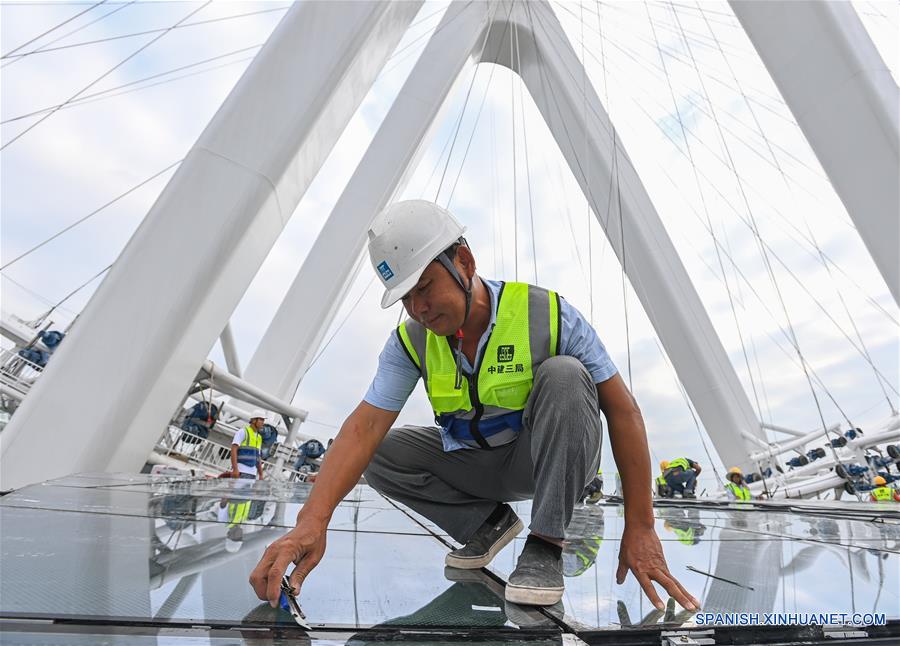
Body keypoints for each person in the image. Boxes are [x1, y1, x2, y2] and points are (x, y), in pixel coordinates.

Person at [250, 200, 698, 612]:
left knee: (565, 374)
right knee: (379, 452)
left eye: (424, 287)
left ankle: (544, 545)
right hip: (475, 464)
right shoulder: (410, 342)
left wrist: (641, 526)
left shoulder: (547, 314)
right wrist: (312, 520)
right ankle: (487, 523)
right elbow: (363, 428)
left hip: (542, 463)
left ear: (463, 261)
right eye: (405, 298)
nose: (418, 309)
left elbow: (624, 412)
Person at [232, 410, 266, 480]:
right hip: (241, 471)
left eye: (263, 420)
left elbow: (258, 457)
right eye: (261, 419)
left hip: (252, 474)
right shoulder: (243, 431)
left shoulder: (259, 437)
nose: (263, 422)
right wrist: (235, 469)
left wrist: (261, 474)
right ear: (253, 420)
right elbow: (233, 450)